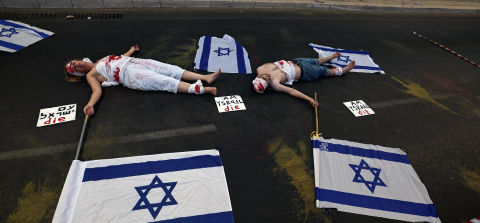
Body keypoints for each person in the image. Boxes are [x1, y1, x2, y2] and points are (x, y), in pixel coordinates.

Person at [65, 45, 221, 116]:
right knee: (163, 81)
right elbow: (96, 90)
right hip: (129, 76)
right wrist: (90, 104)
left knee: (171, 69)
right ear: (78, 74)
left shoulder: (100, 60)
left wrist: (131, 50)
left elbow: (120, 58)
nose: (76, 65)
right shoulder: (90, 75)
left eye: (74, 62)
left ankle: (206, 77)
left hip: (134, 63)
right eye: (75, 68)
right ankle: (200, 90)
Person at [252, 53, 355, 107]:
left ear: (259, 76)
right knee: (324, 71)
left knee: (316, 61)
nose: (268, 78)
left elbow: (271, 63)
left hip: (296, 61)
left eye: (265, 77)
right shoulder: (274, 84)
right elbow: (292, 91)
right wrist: (309, 99)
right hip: (305, 72)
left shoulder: (260, 69)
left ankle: (328, 59)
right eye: (267, 82)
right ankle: (343, 71)